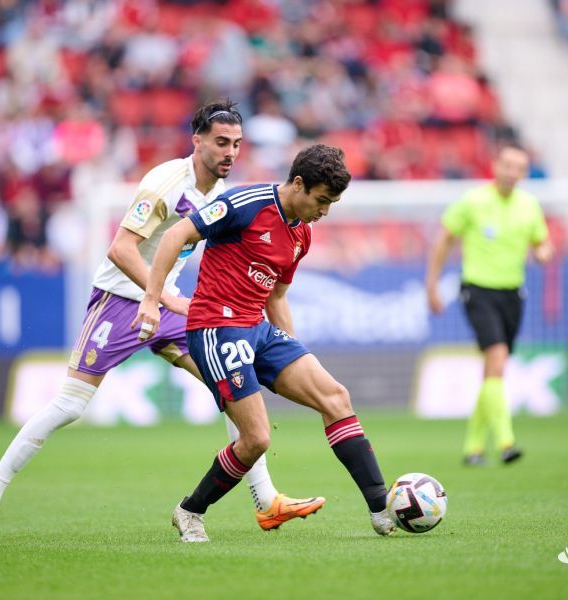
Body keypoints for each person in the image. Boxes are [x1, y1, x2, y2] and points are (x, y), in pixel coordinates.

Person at [0, 101, 325, 542]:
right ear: (197, 141)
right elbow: (121, 248)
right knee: (72, 404)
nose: (230, 153)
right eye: (221, 143)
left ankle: (266, 500)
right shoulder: (167, 182)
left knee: (231, 388)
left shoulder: (222, 194)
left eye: (236, 144)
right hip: (121, 300)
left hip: (170, 307)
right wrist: (159, 297)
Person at [134, 144, 396, 542]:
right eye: (322, 200)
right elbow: (175, 235)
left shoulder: (301, 234)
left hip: (257, 329)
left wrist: (291, 349)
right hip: (215, 328)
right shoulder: (245, 202)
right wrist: (152, 300)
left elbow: (276, 296)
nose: (324, 212)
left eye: (332, 204)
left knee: (336, 397)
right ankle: (190, 511)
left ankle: (381, 509)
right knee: (256, 439)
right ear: (298, 184)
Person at [425, 142, 553, 466]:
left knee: (493, 369)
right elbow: (443, 239)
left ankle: (473, 447)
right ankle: (506, 441)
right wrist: (431, 285)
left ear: (524, 173)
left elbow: (542, 243)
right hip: (478, 290)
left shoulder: (529, 206)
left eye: (519, 168)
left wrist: (543, 253)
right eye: (507, 165)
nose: (512, 172)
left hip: (513, 294)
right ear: (495, 167)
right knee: (497, 358)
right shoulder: (473, 201)